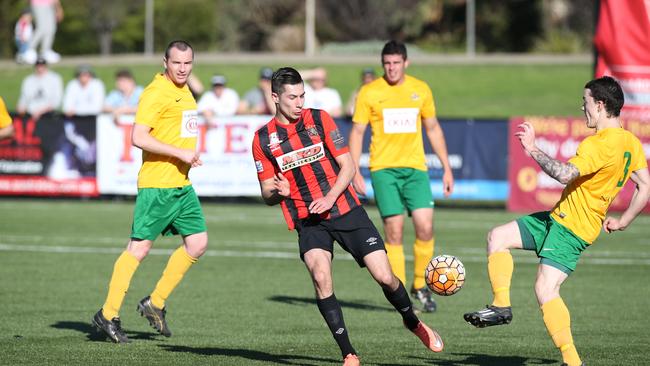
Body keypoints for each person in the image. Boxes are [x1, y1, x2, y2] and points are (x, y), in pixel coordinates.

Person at [252, 67, 443, 366]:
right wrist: (280, 192)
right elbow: (267, 193)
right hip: (309, 220)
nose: (300, 102)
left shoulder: (319, 119)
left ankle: (412, 321)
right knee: (320, 276)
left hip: (345, 210)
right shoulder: (263, 139)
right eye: (292, 97)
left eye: (302, 95)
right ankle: (348, 352)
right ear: (275, 97)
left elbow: (348, 166)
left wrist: (329, 197)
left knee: (384, 276)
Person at [463, 76, 650, 366]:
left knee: (545, 289)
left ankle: (573, 361)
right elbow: (645, 185)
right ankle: (501, 306)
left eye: (585, 101)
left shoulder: (599, 144)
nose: (582, 107)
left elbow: (564, 174)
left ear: (600, 105)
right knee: (497, 237)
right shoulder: (630, 142)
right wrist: (623, 220)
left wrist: (532, 149)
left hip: (573, 228)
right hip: (558, 218)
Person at [92, 40, 208, 343]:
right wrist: (179, 153)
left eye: (188, 63)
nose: (182, 69)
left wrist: (186, 156)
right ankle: (107, 314)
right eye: (177, 63)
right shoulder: (156, 93)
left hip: (181, 185)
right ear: (164, 62)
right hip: (157, 185)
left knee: (197, 243)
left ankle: (155, 303)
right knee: (138, 249)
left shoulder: (183, 90)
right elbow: (138, 137)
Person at [349, 40, 454, 313]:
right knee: (394, 233)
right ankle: (400, 293)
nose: (391, 68)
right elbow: (358, 131)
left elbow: (433, 128)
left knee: (425, 227)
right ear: (382, 64)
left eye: (396, 63)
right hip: (383, 171)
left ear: (406, 63)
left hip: (416, 170)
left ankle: (420, 285)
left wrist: (446, 167)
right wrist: (353, 171)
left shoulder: (420, 89)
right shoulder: (370, 92)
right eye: (387, 63)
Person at [16, 57, 63, 121]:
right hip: (30, 115)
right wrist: (21, 107)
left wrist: (40, 112)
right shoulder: (28, 80)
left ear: (46, 66)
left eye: (42, 66)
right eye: (38, 66)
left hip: (48, 115)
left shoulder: (55, 78)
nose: (40, 68)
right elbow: (23, 99)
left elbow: (56, 101)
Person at [22, 0, 63, 64]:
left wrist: (58, 7)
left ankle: (45, 50)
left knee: (51, 28)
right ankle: (29, 50)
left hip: (50, 4)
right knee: (41, 28)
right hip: (38, 3)